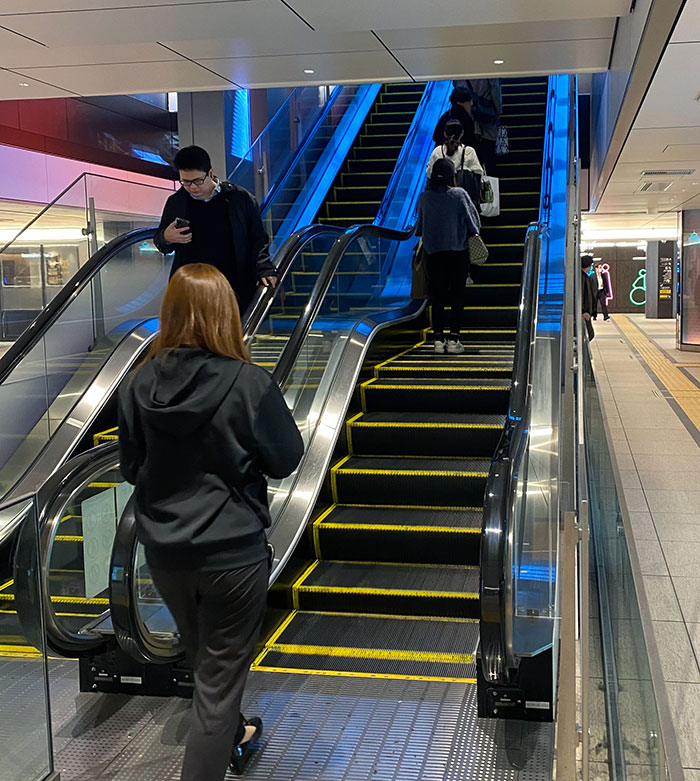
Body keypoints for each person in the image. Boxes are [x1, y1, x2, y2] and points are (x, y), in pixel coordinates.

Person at [118, 263, 304, 780]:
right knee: (219, 684)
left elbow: (130, 467)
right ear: (227, 314)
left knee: (206, 661)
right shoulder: (249, 382)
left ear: (170, 312)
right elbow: (287, 458)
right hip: (232, 555)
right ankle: (220, 740)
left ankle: (235, 733)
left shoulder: (136, 383)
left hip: (166, 554)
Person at [154, 145, 278, 315]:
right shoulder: (177, 202)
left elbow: (257, 238)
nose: (192, 187)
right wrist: (166, 237)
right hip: (192, 288)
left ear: (210, 173)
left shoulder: (239, 198)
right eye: (185, 182)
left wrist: (264, 268)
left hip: (233, 285)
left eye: (198, 180)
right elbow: (161, 243)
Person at [416, 158, 481, 355]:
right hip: (457, 252)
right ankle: (454, 339)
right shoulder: (459, 194)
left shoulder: (424, 198)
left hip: (434, 253)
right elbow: (474, 225)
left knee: (437, 296)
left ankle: (438, 340)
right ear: (451, 175)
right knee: (457, 295)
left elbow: (419, 228)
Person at [426, 118, 483, 209]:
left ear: (445, 134)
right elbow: (478, 174)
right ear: (462, 133)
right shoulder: (468, 151)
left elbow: (429, 174)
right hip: (464, 202)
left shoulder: (437, 151)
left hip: (441, 202)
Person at [455, 79, 502, 174]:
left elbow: (458, 86)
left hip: (469, 112)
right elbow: (495, 88)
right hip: (486, 112)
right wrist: (498, 110)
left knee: (472, 153)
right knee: (489, 154)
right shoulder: (489, 71)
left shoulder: (461, 72)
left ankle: (473, 177)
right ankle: (489, 179)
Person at [581, 255, 597, 341]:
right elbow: (581, 296)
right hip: (585, 312)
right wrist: (583, 311)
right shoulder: (582, 278)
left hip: (586, 311)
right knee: (590, 334)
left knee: (588, 335)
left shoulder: (584, 277)